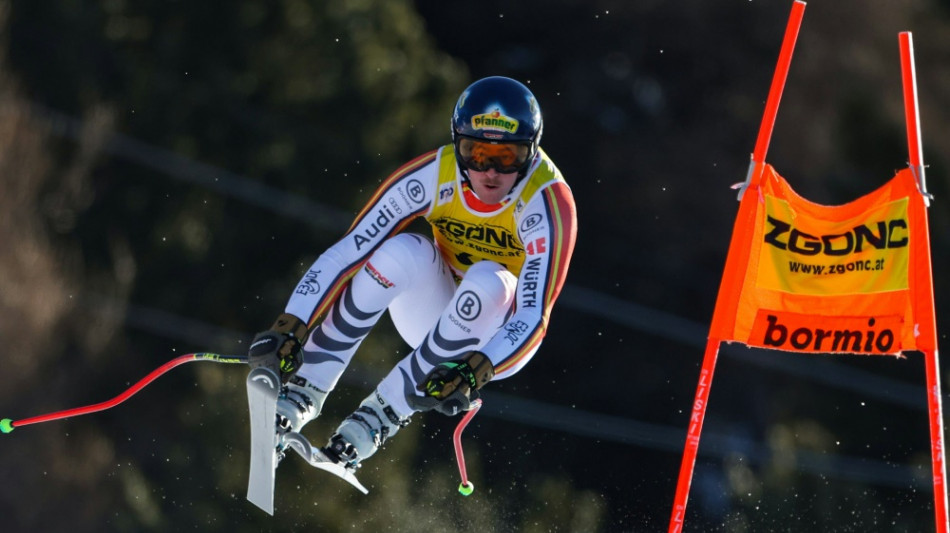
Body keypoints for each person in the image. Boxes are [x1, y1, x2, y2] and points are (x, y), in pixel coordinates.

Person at [247, 76, 578, 471]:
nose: (489, 172)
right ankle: (303, 390)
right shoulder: (433, 175)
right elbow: (349, 251)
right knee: (401, 250)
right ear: (458, 144)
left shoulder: (547, 203)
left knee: (489, 279)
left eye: (508, 158)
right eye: (475, 152)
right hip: (431, 311)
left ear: (532, 152)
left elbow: (533, 316)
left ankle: (376, 420)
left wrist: (477, 369)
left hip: (491, 340)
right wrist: (293, 323)